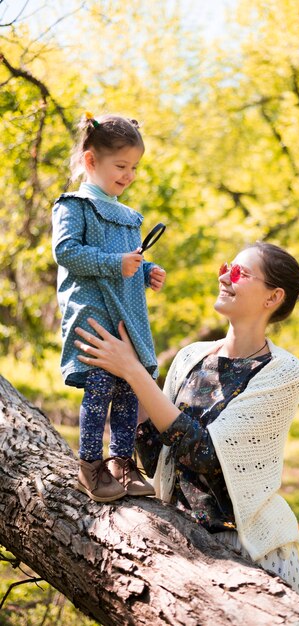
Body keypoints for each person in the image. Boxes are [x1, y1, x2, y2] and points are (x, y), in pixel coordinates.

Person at [74, 242, 299, 596]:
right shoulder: (191, 356)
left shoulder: (282, 371)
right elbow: (162, 458)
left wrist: (133, 371)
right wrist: (126, 384)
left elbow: (205, 455)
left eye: (239, 273)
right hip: (179, 544)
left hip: (247, 551)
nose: (224, 276)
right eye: (226, 267)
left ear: (272, 298)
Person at [52, 112, 166, 503]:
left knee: (129, 388)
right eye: (121, 166)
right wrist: (116, 264)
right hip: (95, 313)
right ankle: (89, 466)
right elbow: (66, 252)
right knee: (100, 388)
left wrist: (145, 270)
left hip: (126, 316)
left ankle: (121, 462)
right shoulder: (74, 205)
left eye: (134, 167)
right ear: (90, 161)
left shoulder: (129, 215)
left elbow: (128, 258)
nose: (129, 174)